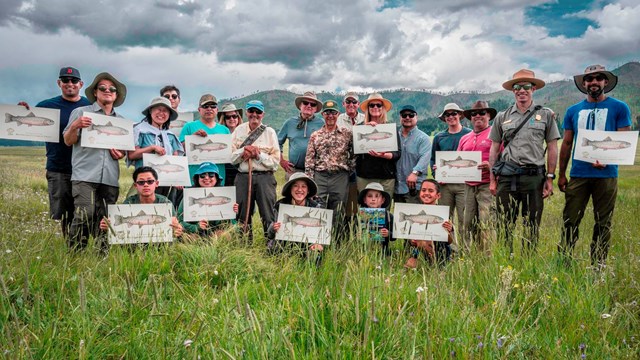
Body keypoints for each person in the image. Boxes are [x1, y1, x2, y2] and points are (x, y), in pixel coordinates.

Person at [558, 64, 632, 267]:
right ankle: (564, 261)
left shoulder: (619, 107)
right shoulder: (573, 110)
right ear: (584, 83)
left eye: (598, 78)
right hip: (579, 174)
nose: (594, 82)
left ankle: (598, 265)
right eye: (589, 79)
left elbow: (624, 142)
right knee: (570, 220)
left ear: (605, 82)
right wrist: (562, 174)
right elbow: (566, 143)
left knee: (603, 223)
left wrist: (608, 159)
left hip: (607, 175)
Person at [489, 69, 560, 254]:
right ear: (513, 90)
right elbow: (494, 149)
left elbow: (552, 147)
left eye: (526, 86)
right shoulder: (502, 117)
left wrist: (550, 178)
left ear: (533, 88)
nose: (522, 90)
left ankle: (528, 261)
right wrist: (492, 179)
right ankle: (506, 259)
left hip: (533, 177)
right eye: (518, 86)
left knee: (532, 225)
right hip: (507, 177)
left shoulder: (545, 115)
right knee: (504, 224)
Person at [17, 66, 91, 237]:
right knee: (65, 213)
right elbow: (29, 123)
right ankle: (70, 246)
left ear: (81, 84)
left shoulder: (90, 106)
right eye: (65, 80)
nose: (69, 84)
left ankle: (83, 244)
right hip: (58, 167)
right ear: (59, 83)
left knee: (86, 210)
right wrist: (20, 112)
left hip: (85, 168)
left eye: (73, 81)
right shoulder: (46, 106)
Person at [62, 72, 128, 251]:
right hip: (85, 175)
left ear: (116, 95)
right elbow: (68, 140)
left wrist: (120, 154)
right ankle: (76, 253)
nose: (108, 91)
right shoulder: (81, 113)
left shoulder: (121, 122)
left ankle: (102, 253)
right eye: (103, 88)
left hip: (110, 177)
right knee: (85, 213)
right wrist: (75, 126)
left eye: (112, 89)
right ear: (95, 92)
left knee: (105, 218)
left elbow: (123, 151)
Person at [230, 100, 280, 243]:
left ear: (262, 114)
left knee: (268, 212)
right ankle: (244, 243)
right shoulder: (238, 130)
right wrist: (244, 151)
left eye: (258, 112)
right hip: (244, 177)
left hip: (265, 177)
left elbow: (275, 162)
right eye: (251, 111)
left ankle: (271, 244)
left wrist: (258, 155)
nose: (254, 115)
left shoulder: (269, 132)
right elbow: (232, 157)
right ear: (246, 113)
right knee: (242, 213)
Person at [127, 97, 185, 205]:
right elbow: (132, 155)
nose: (161, 113)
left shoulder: (170, 135)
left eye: (165, 110)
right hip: (146, 181)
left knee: (167, 210)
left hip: (167, 182)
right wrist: (151, 148)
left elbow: (176, 158)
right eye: (158, 109)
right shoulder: (140, 130)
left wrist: (178, 179)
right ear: (150, 111)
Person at [99, 166, 183, 238]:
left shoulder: (165, 202)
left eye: (150, 181)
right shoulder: (129, 202)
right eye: (141, 182)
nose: (146, 185)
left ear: (156, 183)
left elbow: (174, 225)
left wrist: (177, 229)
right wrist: (108, 226)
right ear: (135, 185)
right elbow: (119, 229)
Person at [458, 101, 497, 253]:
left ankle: (487, 256)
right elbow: (457, 159)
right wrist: (443, 169)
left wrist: (491, 166)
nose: (478, 116)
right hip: (468, 185)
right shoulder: (465, 138)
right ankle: (473, 254)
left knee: (486, 222)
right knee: (468, 222)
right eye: (474, 114)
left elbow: (504, 156)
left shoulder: (495, 134)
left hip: (487, 184)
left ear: (489, 116)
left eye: (482, 113)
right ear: (470, 118)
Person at [305, 100, 355, 215]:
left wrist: (349, 169)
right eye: (327, 113)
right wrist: (310, 180)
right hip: (320, 177)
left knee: (339, 209)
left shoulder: (346, 134)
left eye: (333, 113)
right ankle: (320, 233)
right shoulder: (315, 135)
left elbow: (354, 154)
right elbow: (309, 160)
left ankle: (336, 233)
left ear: (338, 114)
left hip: (340, 177)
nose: (330, 116)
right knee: (318, 208)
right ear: (322, 114)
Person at [431, 103, 471, 231]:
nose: (451, 116)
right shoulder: (439, 137)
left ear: (459, 115)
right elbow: (433, 159)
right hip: (444, 185)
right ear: (444, 118)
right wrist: (435, 172)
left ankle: (466, 249)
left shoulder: (469, 134)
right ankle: (450, 249)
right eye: (447, 114)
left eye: (454, 113)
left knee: (464, 218)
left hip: (464, 184)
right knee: (445, 219)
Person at [266, 172, 325, 260]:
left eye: (303, 186)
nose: (299, 189)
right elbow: (269, 235)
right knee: (273, 249)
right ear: (290, 189)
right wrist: (273, 228)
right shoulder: (280, 205)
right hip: (284, 243)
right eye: (295, 186)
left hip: (305, 245)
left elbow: (321, 235)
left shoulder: (316, 207)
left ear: (308, 190)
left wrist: (319, 244)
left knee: (316, 255)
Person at [355, 93, 401, 198]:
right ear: (368, 108)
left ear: (383, 108)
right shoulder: (359, 128)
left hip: (386, 177)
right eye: (372, 105)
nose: (375, 107)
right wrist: (364, 129)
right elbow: (354, 150)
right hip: (364, 176)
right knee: (365, 211)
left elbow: (398, 154)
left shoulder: (391, 129)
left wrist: (383, 155)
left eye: (379, 105)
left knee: (385, 210)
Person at [403, 179, 455, 269]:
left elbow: (449, 242)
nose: (426, 193)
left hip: (439, 250)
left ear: (438, 195)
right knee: (409, 266)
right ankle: (418, 261)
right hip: (418, 248)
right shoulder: (414, 211)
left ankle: (438, 265)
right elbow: (408, 238)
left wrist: (448, 230)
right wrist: (412, 240)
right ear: (420, 193)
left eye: (431, 191)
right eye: (423, 190)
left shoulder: (442, 214)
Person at [178, 162, 238, 237]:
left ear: (217, 178)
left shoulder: (225, 194)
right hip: (195, 234)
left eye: (211, 175)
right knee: (190, 238)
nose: (206, 178)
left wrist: (233, 212)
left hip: (217, 234)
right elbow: (179, 221)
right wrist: (196, 227)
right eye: (202, 175)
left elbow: (233, 225)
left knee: (225, 235)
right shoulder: (189, 194)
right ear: (198, 178)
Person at [179, 94, 230, 185]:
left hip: (218, 177)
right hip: (194, 177)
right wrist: (193, 138)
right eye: (205, 106)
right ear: (199, 110)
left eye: (213, 106)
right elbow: (179, 151)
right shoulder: (189, 127)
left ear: (217, 110)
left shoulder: (225, 130)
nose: (209, 109)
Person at [278, 91, 325, 180]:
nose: (309, 106)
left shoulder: (321, 123)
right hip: (293, 170)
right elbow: (277, 142)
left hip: (315, 171)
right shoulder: (290, 123)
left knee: (314, 193)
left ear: (315, 109)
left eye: (313, 104)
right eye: (306, 103)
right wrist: (281, 161)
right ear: (300, 105)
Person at [394, 105, 432, 204]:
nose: (407, 117)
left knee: (414, 218)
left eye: (411, 115)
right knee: (397, 217)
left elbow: (425, 158)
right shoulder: (393, 136)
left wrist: (415, 173)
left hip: (414, 186)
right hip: (396, 186)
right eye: (404, 115)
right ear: (400, 117)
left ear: (416, 117)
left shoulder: (423, 138)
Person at [336, 91, 364, 217]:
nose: (351, 104)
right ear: (343, 104)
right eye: (348, 102)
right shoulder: (337, 119)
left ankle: (359, 224)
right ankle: (345, 224)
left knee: (361, 195)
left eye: (354, 102)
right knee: (344, 195)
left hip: (362, 164)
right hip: (344, 165)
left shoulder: (365, 119)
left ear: (358, 104)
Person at [357, 182, 395, 255]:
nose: (373, 199)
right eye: (370, 196)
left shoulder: (388, 216)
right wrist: (358, 235)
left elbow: (394, 237)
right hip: (363, 252)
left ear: (383, 200)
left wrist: (388, 233)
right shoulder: (359, 216)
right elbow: (353, 232)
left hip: (383, 252)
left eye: (377, 196)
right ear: (365, 200)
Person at [217, 103, 243, 186]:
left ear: (238, 117)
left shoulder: (245, 133)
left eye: (234, 116)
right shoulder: (218, 135)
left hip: (241, 170)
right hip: (224, 170)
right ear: (223, 119)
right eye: (228, 117)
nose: (232, 119)